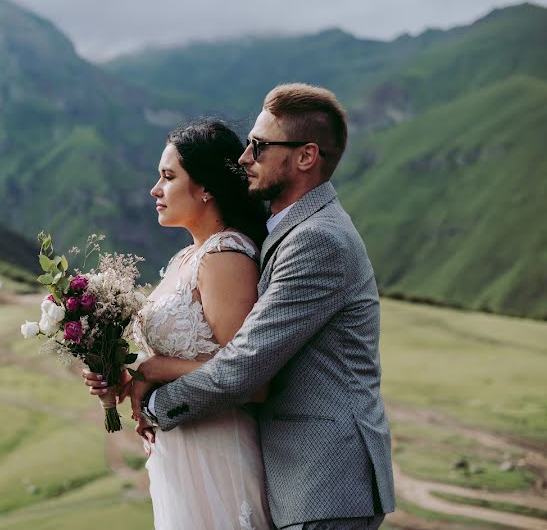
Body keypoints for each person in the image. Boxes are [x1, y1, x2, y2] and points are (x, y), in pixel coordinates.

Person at [118, 83, 396, 529]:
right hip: (300, 478)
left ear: (305, 157)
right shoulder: (286, 230)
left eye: (260, 146)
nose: (245, 158)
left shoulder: (316, 239)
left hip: (323, 478)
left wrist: (154, 394)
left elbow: (244, 367)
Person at [86, 118, 274, 529]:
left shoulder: (226, 256)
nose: (155, 190)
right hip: (178, 448)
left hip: (216, 450)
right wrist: (121, 375)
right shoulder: (184, 260)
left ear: (206, 188)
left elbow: (251, 380)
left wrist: (155, 370)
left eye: (168, 177)